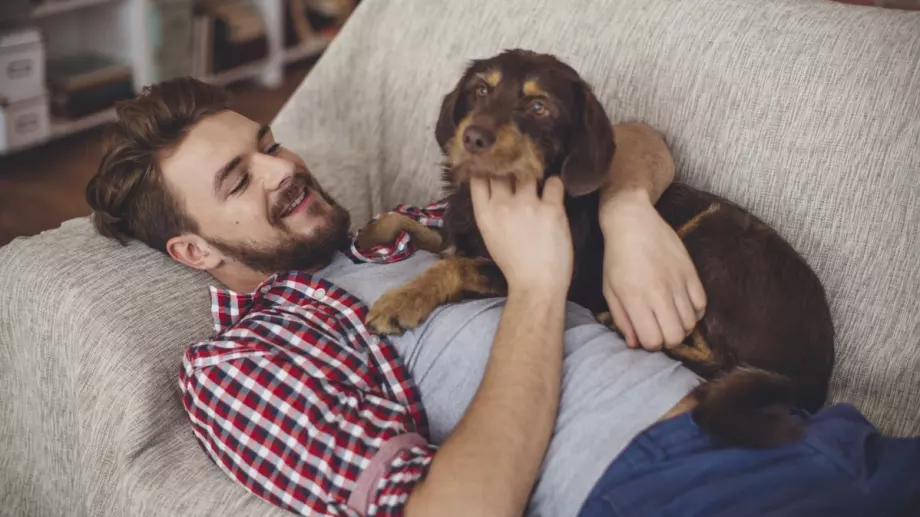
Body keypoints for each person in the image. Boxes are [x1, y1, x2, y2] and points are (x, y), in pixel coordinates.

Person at [86, 77, 919, 517]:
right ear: (193, 249)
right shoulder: (242, 364)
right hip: (662, 484)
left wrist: (627, 214)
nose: (284, 168)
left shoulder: (411, 223)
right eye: (240, 179)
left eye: (268, 143)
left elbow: (624, 141)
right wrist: (539, 283)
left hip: (790, 426)